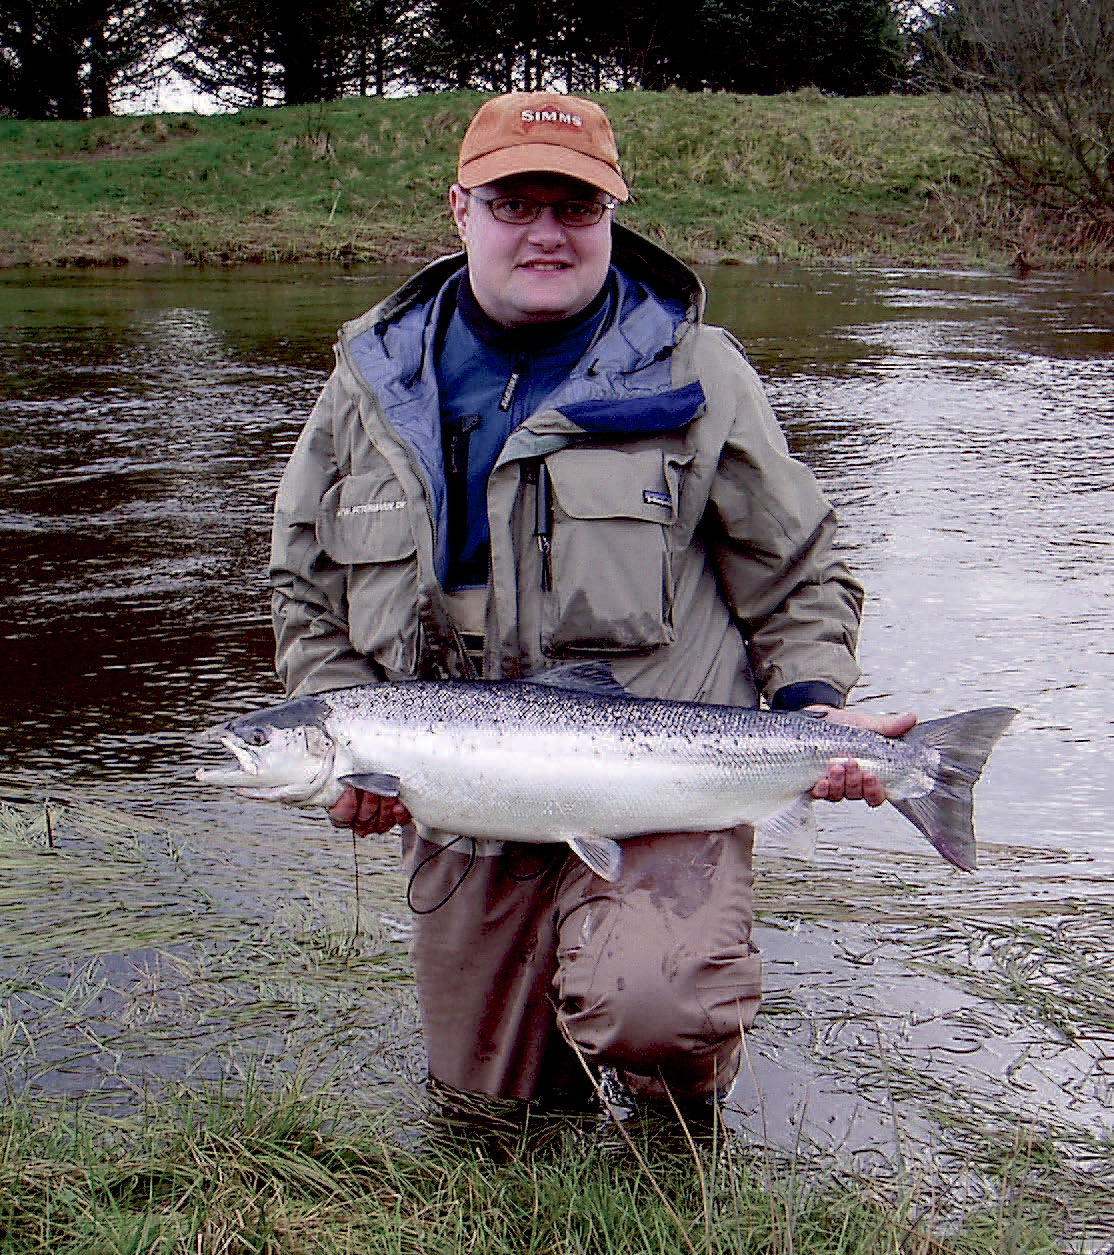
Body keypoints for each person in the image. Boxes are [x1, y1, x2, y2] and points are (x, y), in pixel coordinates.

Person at [269, 92, 915, 1109]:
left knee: (652, 1010)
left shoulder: (697, 371)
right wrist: (344, 717)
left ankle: (680, 1080)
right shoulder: (369, 385)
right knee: (489, 1107)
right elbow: (304, 588)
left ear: (611, 215)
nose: (545, 233)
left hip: (662, 787)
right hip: (465, 800)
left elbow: (797, 567)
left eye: (574, 208)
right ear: (459, 210)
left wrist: (812, 706)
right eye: (513, 203)